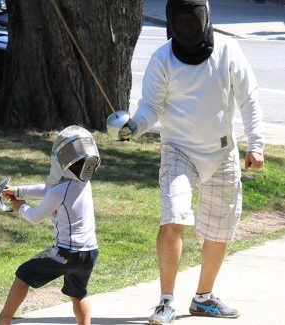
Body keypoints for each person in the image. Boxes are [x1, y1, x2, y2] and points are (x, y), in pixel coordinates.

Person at [107, 0, 265, 324]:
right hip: (179, 150)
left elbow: (249, 98)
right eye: (181, 21)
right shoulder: (162, 58)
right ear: (171, 21)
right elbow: (150, 106)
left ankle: (203, 298)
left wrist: (257, 145)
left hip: (222, 151)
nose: (189, 27)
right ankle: (166, 302)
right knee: (173, 217)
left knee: (222, 225)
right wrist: (134, 126)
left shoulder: (228, 50)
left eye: (193, 19)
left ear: (206, 17)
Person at [0, 125, 101, 325]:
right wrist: (18, 191)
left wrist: (20, 207)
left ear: (61, 160)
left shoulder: (58, 191)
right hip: (90, 253)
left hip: (65, 254)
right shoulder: (83, 184)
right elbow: (47, 190)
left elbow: (35, 216)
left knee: (24, 273)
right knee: (79, 293)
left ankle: (2, 320)